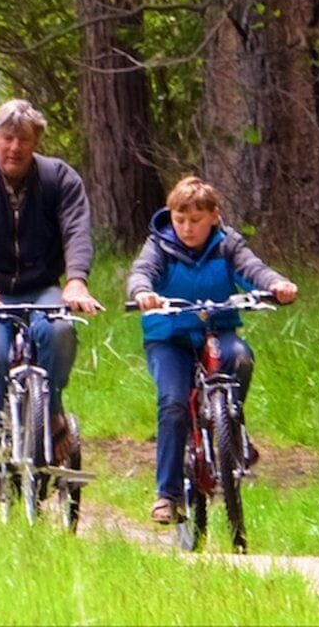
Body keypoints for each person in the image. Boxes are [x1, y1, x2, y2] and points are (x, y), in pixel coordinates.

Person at [0, 98, 100, 499]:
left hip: (41, 286)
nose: (15, 147)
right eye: (7, 138)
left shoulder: (60, 179)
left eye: (24, 139)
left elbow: (77, 231)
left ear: (37, 142)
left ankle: (51, 413)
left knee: (61, 331)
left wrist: (77, 281)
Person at [125, 173, 300, 526]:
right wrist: (143, 292)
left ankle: (230, 430)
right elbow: (141, 273)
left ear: (214, 216)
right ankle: (167, 494)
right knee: (173, 404)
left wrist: (276, 284)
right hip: (170, 337)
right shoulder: (159, 245)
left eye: (196, 220)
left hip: (218, 329)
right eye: (180, 220)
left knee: (240, 358)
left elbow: (252, 269)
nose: (187, 228)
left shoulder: (226, 244)